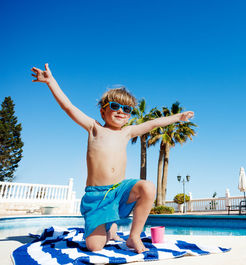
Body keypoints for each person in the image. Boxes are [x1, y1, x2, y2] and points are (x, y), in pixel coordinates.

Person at [31, 63, 194, 253]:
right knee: (94, 247)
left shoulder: (127, 132)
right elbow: (68, 107)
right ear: (103, 111)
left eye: (127, 109)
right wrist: (51, 82)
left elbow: (152, 124)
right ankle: (108, 224)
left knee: (147, 186)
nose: (121, 111)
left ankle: (134, 237)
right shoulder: (94, 128)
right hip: (97, 196)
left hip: (119, 191)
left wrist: (177, 117)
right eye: (115, 106)